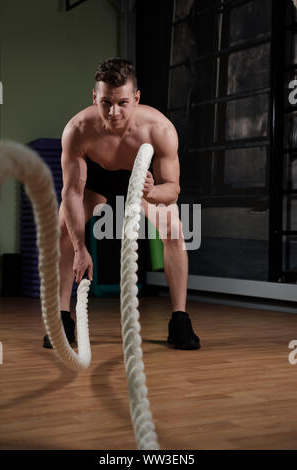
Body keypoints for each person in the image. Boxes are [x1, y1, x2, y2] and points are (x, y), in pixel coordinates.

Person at [43, 58, 200, 351]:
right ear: (94, 97)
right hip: (95, 180)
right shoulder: (78, 129)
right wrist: (80, 249)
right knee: (62, 229)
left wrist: (153, 193)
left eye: (122, 103)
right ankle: (63, 317)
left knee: (175, 231)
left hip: (141, 181)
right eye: (106, 102)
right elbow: (72, 193)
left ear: (136, 99)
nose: (114, 112)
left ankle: (179, 319)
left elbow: (173, 190)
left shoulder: (159, 129)